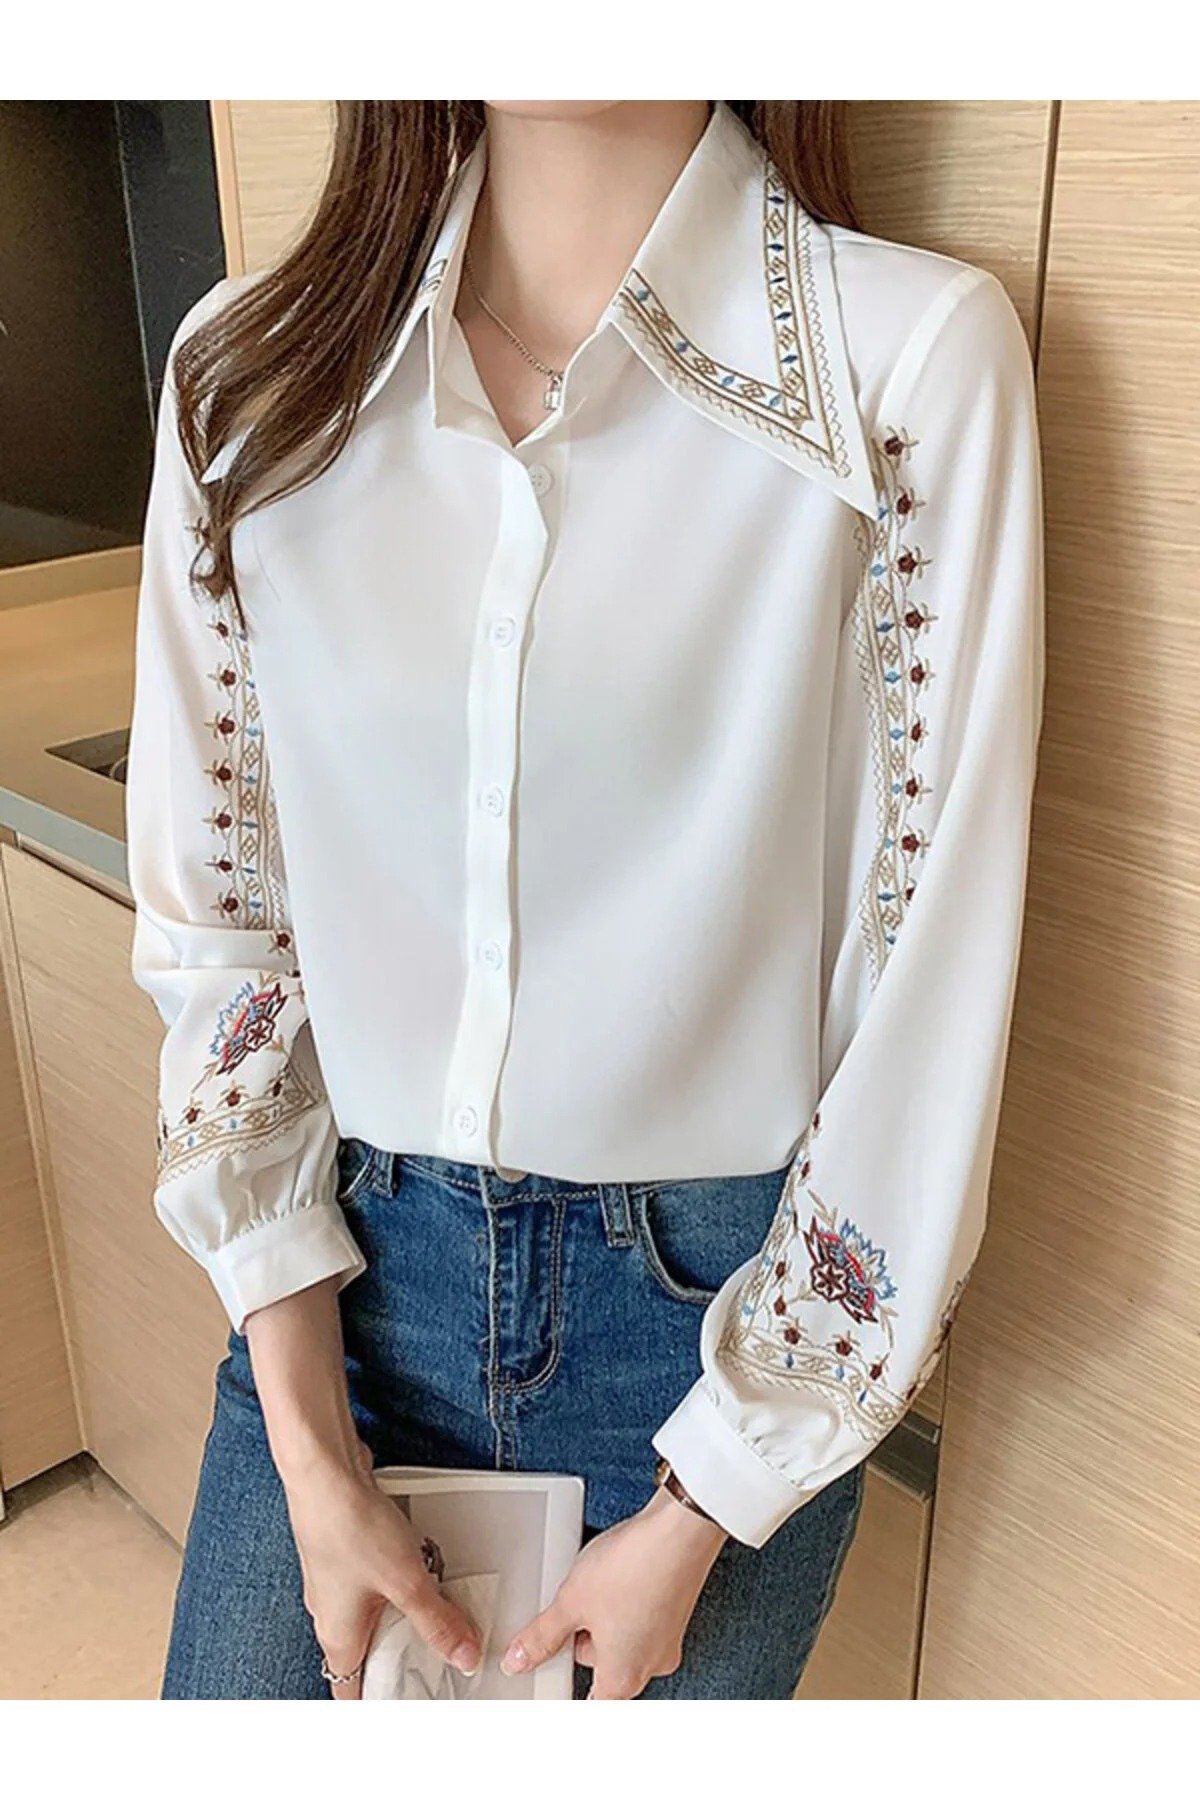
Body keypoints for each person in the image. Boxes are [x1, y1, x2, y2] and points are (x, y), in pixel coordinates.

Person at [125, 99, 1045, 1700]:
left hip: (711, 1342)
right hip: (338, 1299)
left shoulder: (904, 368)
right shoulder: (248, 379)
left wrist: (710, 1502)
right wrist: (310, 1443)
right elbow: (223, 921)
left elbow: (931, 986)